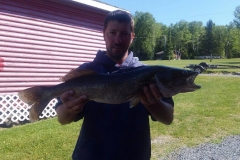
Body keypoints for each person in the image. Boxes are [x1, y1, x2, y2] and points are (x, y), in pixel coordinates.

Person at [55, 10, 174, 160]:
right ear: (104, 34)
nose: (118, 39)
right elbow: (62, 119)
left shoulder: (147, 73)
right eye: (112, 32)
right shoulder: (86, 71)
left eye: (124, 34)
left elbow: (168, 118)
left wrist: (152, 103)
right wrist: (69, 109)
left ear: (132, 37)